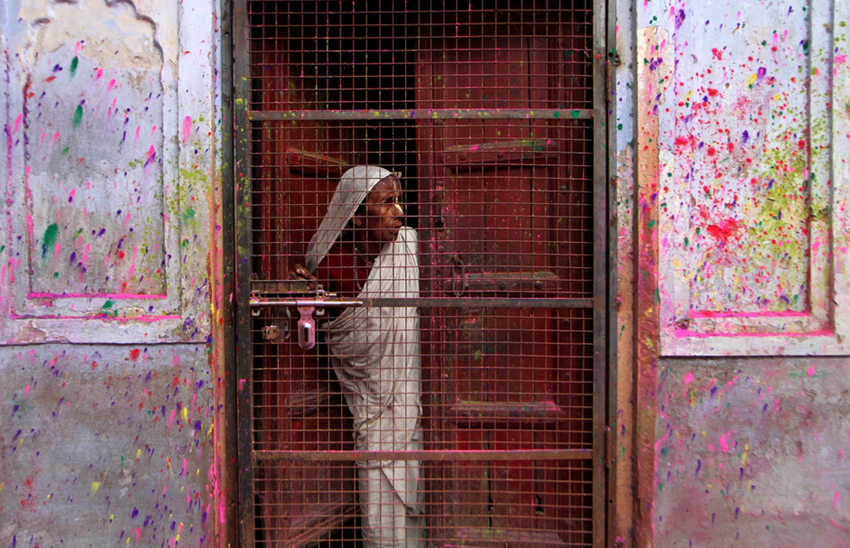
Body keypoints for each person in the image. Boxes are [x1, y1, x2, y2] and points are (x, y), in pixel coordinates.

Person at [292, 165, 424, 547]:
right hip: (373, 406)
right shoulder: (333, 267)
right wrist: (310, 301)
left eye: (399, 201)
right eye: (387, 203)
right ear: (357, 214)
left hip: (414, 398)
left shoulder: (413, 248)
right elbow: (316, 325)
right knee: (380, 482)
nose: (400, 212)